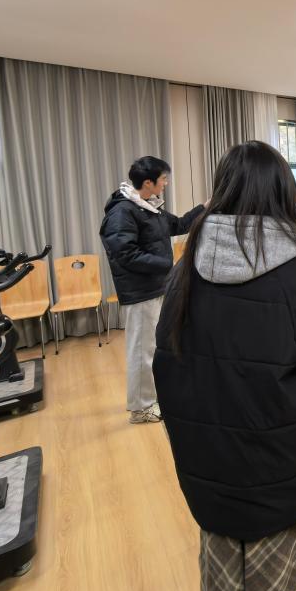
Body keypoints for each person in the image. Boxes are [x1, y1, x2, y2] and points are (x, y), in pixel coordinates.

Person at [153, 141, 296, 591]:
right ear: (284, 193)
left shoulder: (185, 269)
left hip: (212, 473)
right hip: (291, 476)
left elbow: (168, 366)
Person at [100, 156, 204, 424]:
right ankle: (141, 408)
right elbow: (124, 254)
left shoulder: (147, 207)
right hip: (140, 291)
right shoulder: (122, 211)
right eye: (163, 179)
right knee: (142, 350)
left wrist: (205, 207)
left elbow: (179, 224)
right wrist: (166, 264)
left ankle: (151, 397)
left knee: (154, 347)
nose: (166, 183)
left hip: (155, 286)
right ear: (148, 182)